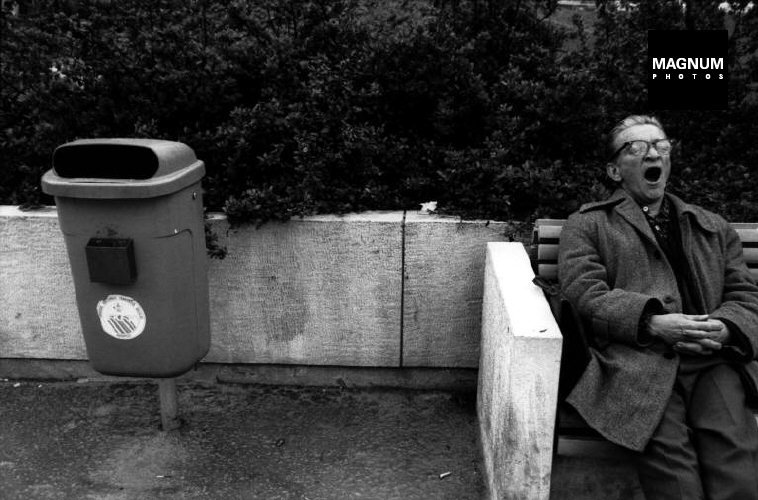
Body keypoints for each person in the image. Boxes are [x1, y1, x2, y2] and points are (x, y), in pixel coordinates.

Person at [557, 114, 758, 500]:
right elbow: (584, 292)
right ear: (615, 170)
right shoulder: (588, 225)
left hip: (712, 360)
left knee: (738, 463)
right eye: (637, 147)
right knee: (675, 478)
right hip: (637, 364)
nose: (653, 152)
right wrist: (651, 323)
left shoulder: (711, 226)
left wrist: (727, 328)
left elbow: (745, 296)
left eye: (661, 145)